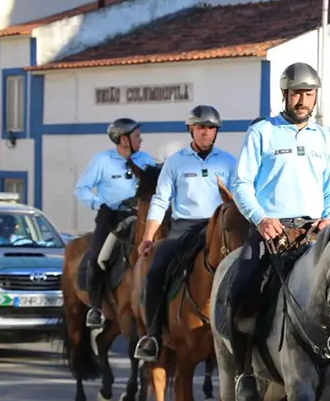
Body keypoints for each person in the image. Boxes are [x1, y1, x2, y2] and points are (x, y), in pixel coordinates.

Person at [225, 62, 330, 401]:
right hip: (270, 228)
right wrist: (260, 218)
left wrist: (329, 219)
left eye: (309, 93)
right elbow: (240, 183)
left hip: (316, 231)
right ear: (285, 95)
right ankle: (244, 371)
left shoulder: (325, 138)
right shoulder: (262, 132)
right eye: (297, 93)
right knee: (242, 288)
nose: (303, 100)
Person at [132, 105, 237, 362]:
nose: (206, 132)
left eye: (211, 128)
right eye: (201, 127)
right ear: (191, 129)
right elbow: (160, 200)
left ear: (216, 132)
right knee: (156, 271)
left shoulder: (229, 162)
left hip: (219, 229)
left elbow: (239, 199)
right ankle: (153, 337)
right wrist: (148, 236)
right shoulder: (176, 161)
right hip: (183, 228)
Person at [74, 118, 156, 329]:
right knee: (97, 257)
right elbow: (81, 189)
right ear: (123, 140)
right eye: (137, 136)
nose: (141, 139)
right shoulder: (101, 160)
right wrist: (99, 203)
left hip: (139, 217)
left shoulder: (146, 160)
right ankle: (94, 306)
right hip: (110, 218)